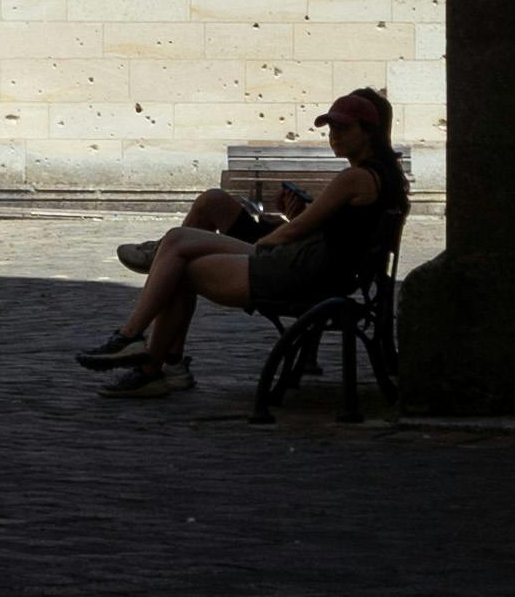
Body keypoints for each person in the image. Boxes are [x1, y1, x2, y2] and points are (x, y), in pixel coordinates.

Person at [75, 90, 410, 394]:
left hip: (298, 269)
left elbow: (298, 230)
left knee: (177, 261)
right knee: (180, 242)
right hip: (311, 265)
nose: (333, 136)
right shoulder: (383, 178)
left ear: (369, 132)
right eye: (330, 129)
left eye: (343, 129)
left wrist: (267, 243)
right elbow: (324, 229)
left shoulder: (355, 178)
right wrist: (281, 229)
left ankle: (141, 346)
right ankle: (144, 343)